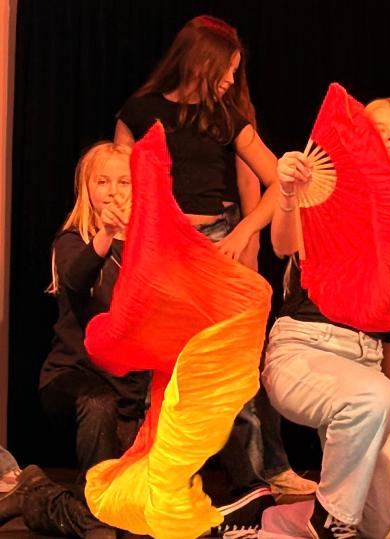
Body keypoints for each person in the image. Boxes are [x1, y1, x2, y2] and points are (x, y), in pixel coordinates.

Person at [112, 15, 303, 534]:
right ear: (201, 59)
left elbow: (277, 179)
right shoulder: (140, 111)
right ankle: (164, 482)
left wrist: (244, 234)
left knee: (223, 365)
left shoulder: (226, 116)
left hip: (215, 245)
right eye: (226, 70)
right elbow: (122, 182)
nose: (229, 80)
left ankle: (254, 484)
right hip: (161, 252)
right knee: (170, 368)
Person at [256, 98, 390, 539]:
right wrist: (288, 192)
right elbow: (285, 245)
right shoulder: (333, 193)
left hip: (366, 366)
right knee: (372, 401)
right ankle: (329, 521)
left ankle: (280, 518)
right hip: (307, 348)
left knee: (377, 526)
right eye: (380, 130)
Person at [41, 142, 149, 482]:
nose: (113, 191)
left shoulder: (148, 245)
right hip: (73, 377)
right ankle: (91, 519)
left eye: (123, 182)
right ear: (87, 188)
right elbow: (76, 277)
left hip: (128, 390)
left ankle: (33, 493)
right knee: (98, 402)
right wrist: (107, 232)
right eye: (102, 181)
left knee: (132, 501)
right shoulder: (71, 240)